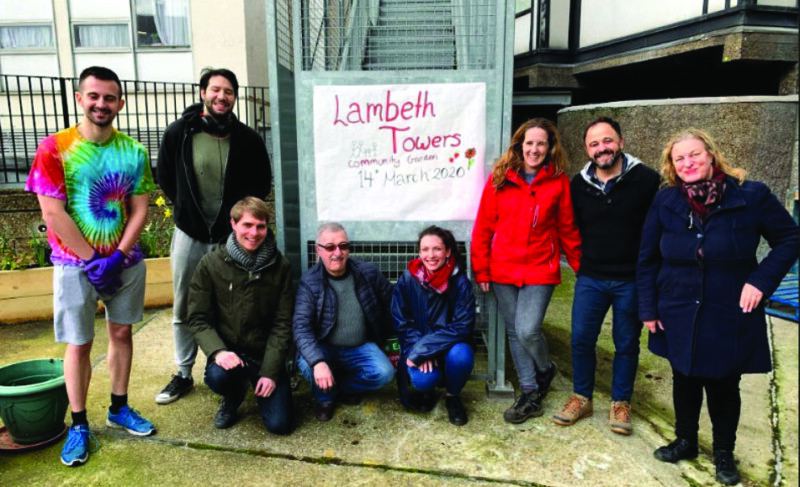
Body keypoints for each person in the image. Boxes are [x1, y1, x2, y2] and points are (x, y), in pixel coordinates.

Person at [637, 128, 798, 485]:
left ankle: (724, 452)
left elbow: (790, 238)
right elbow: (647, 258)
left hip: (728, 305)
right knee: (684, 375)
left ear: (711, 155)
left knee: (724, 382)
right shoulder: (666, 201)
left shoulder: (751, 195)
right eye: (680, 159)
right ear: (672, 166)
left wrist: (760, 281)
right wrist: (647, 307)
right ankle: (686, 441)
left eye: (694, 154)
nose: (688, 163)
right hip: (676, 303)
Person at [26, 66, 156, 466]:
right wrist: (92, 259)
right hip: (73, 265)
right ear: (80, 99)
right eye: (94, 96)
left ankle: (119, 407)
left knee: (121, 332)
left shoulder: (133, 151)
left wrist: (117, 256)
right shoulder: (55, 148)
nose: (102, 104)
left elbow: (140, 208)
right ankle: (79, 423)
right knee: (79, 343)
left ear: (121, 102)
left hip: (126, 262)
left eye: (110, 97)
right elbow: (53, 212)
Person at [156, 68, 272, 405]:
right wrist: (188, 211)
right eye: (216, 90)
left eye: (229, 92)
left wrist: (238, 222)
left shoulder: (248, 138)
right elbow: (165, 176)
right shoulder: (179, 133)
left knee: (231, 308)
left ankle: (226, 374)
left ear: (235, 98)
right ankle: (182, 373)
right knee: (183, 304)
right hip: (189, 233)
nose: (222, 97)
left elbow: (261, 184)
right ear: (203, 92)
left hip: (229, 236)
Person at [552, 117, 660, 435]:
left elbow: (655, 231)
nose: (602, 148)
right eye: (595, 144)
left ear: (621, 142)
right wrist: (580, 265)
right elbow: (572, 229)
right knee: (582, 340)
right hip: (591, 277)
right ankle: (581, 398)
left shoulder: (647, 180)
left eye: (608, 141)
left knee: (626, 344)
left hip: (631, 279)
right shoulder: (578, 184)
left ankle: (620, 403)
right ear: (587, 149)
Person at [471, 118, 581, 424]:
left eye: (541, 143)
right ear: (520, 145)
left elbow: (567, 227)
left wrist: (579, 265)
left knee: (528, 329)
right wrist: (481, 269)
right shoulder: (500, 178)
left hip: (540, 268)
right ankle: (530, 393)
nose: (534, 149)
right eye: (529, 143)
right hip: (502, 268)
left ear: (550, 147)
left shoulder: (558, 182)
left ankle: (545, 369)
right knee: (513, 330)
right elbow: (483, 227)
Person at [187, 197, 294, 434]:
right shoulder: (211, 264)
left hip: (263, 354)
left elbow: (283, 324)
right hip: (230, 352)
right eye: (247, 225)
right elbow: (197, 318)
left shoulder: (281, 267)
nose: (254, 233)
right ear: (233, 224)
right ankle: (233, 396)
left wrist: (270, 372)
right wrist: (218, 351)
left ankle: (261, 384)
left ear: (267, 227)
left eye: (260, 226)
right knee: (218, 377)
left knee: (280, 425)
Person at [293, 222, 395, 421]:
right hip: (325, 348)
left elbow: (393, 304)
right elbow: (301, 327)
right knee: (308, 365)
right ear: (318, 250)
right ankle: (325, 398)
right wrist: (319, 362)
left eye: (343, 246)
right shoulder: (309, 282)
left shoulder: (368, 273)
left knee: (384, 373)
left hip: (361, 347)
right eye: (330, 247)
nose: (337, 253)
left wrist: (392, 339)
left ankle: (341, 387)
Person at [392, 226, 476, 426]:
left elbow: (463, 325)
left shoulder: (460, 281)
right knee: (423, 381)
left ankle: (452, 396)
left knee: (462, 355)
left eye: (437, 249)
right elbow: (400, 320)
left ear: (447, 252)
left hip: (450, 346)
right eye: (425, 249)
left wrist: (425, 348)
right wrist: (418, 347)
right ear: (419, 252)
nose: (431, 255)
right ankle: (427, 392)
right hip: (418, 342)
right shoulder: (408, 279)